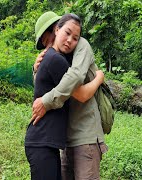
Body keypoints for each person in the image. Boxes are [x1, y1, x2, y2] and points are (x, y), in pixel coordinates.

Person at [24, 13, 104, 180]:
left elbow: (76, 84)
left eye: (73, 36)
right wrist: (37, 68)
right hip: (64, 139)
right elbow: (45, 84)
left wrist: (98, 79)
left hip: (84, 135)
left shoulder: (80, 45)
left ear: (56, 29)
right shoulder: (56, 57)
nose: (69, 40)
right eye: (45, 43)